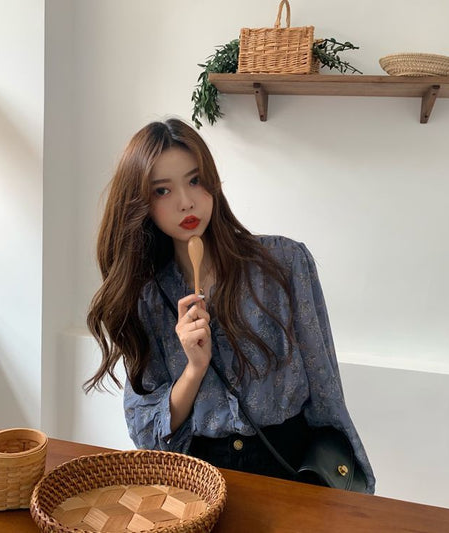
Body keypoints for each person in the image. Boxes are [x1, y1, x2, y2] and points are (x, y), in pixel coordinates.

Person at [85, 118, 375, 493]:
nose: (186, 201)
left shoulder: (284, 263)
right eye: (162, 190)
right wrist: (194, 368)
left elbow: (325, 387)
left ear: (213, 182)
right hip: (199, 477)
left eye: (195, 180)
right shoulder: (148, 297)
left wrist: (342, 481)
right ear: (142, 204)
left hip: (290, 468)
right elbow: (147, 433)